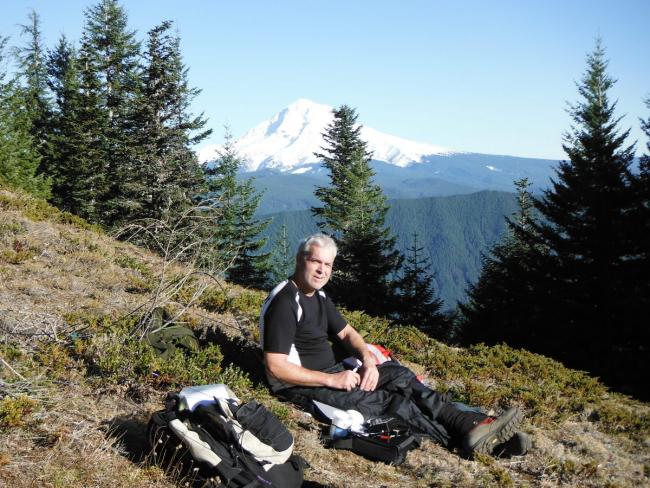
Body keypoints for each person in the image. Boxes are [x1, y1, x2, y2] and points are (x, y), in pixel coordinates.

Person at [260, 233, 529, 456]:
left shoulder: (318, 296)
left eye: (328, 265)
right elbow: (276, 368)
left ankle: (469, 422)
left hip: (336, 373)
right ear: (299, 260)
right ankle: (475, 443)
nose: (322, 270)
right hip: (303, 387)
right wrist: (331, 380)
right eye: (315, 261)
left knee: (399, 375)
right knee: (392, 403)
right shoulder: (285, 302)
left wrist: (367, 360)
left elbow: (347, 333)